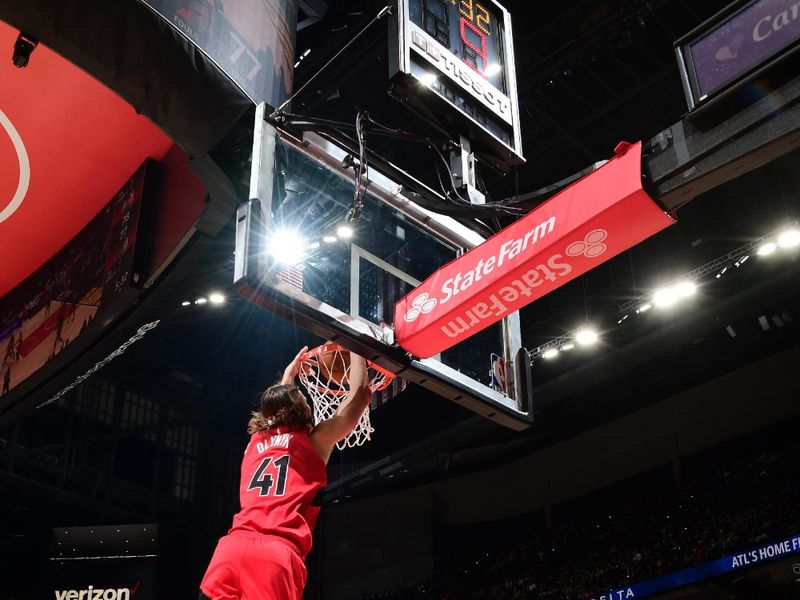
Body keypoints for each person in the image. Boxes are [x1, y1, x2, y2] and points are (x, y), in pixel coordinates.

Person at [200, 345, 372, 600]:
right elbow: (360, 396)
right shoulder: (315, 442)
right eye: (303, 399)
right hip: (275, 555)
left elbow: (275, 410)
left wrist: (288, 379)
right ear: (301, 411)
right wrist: (357, 345)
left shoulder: (255, 442)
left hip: (230, 551)